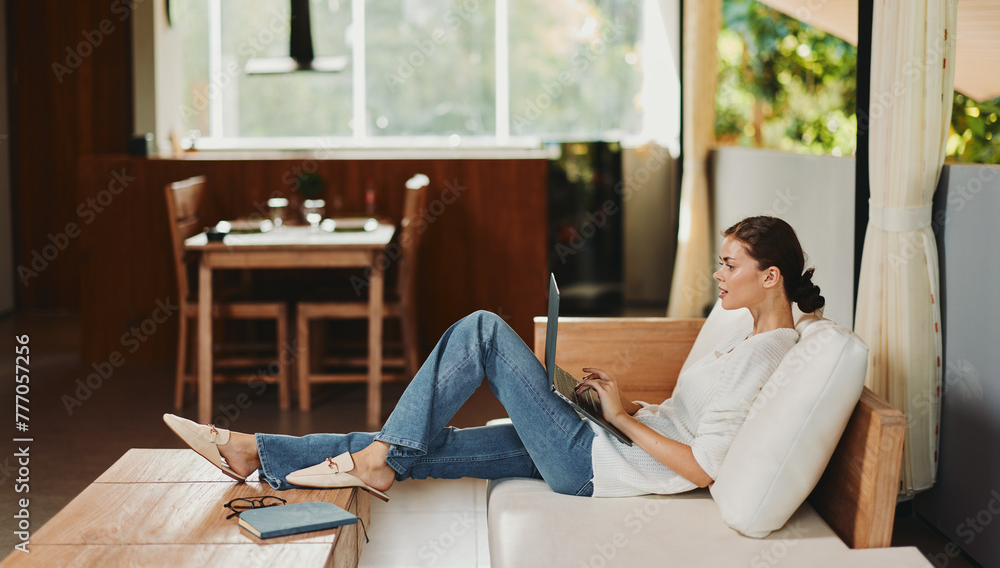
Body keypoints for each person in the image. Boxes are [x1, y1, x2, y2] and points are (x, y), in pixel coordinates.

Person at [165, 215, 825, 501]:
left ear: (771, 277)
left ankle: (376, 462)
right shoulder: (747, 333)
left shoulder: (769, 354)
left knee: (481, 329)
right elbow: (693, 422)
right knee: (429, 441)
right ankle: (257, 452)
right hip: (602, 442)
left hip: (596, 463)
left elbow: (705, 467)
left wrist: (621, 417)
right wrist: (620, 401)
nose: (718, 273)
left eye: (730, 264)